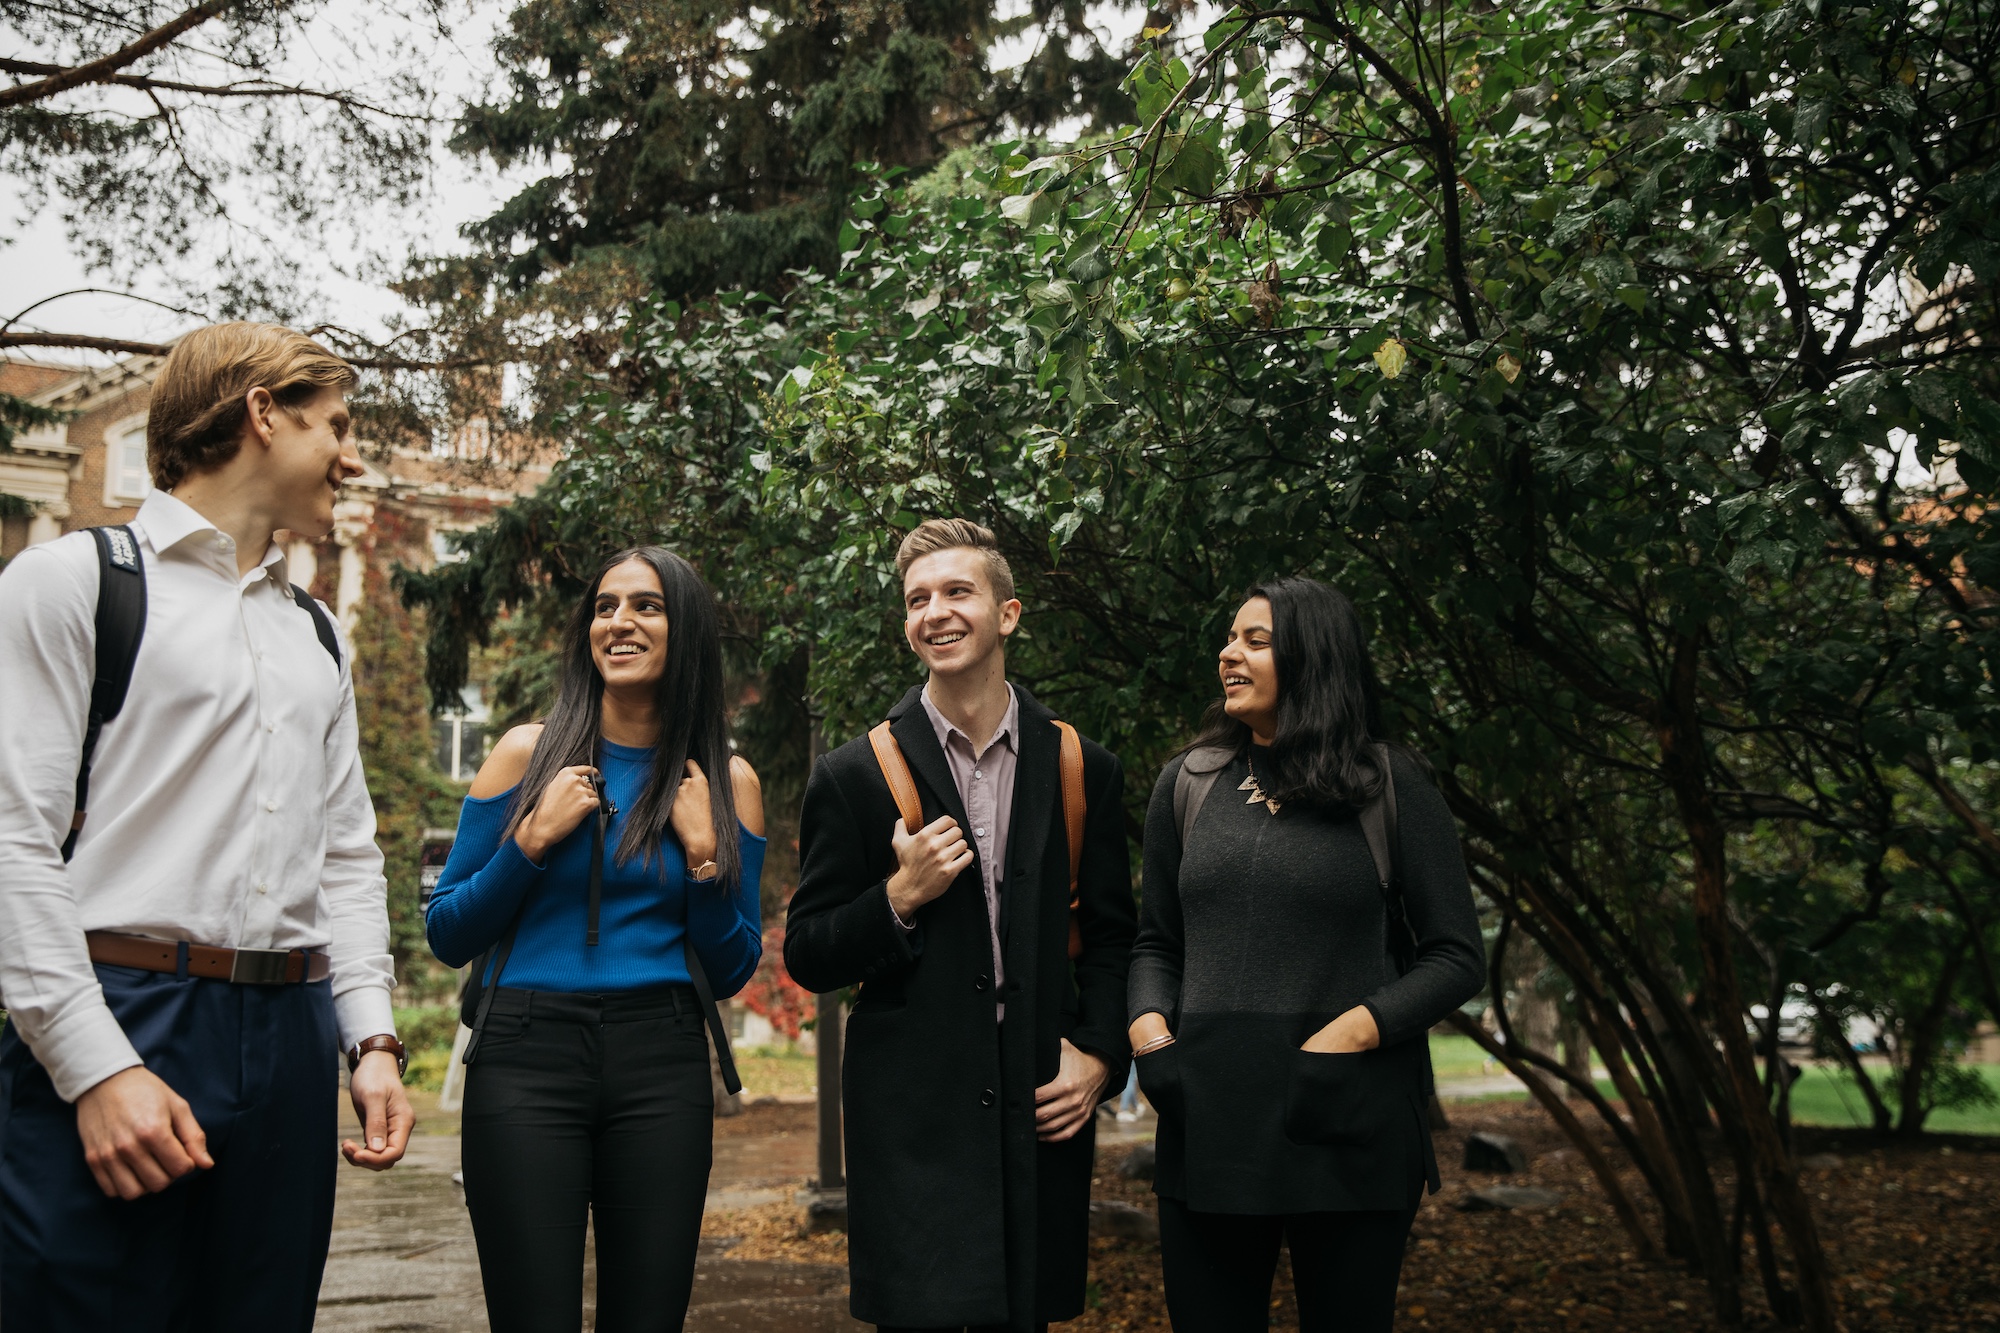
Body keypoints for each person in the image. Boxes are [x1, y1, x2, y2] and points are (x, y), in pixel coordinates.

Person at [0, 322, 412, 1330]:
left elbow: (346, 854)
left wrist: (372, 1036)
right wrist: (93, 1069)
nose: (352, 456)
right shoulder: (73, 583)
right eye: (335, 425)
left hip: (289, 1038)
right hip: (126, 1007)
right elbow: (12, 841)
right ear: (259, 413)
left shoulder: (310, 629)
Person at [785, 518, 1136, 1333]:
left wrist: (1100, 1057)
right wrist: (898, 896)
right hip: (911, 1122)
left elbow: (1116, 937)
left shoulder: (1083, 765)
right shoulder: (853, 774)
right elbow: (809, 950)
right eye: (916, 599)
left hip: (1041, 1110)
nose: (934, 611)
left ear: (1007, 614)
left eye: (955, 591)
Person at [1127, 577, 1485, 1333]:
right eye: (1230, 638)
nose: (1229, 653)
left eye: (1255, 641)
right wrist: (1151, 1036)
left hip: (1348, 1121)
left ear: (1312, 657)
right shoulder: (1188, 783)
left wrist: (1351, 1031)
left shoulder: (1389, 783)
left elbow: (1455, 955)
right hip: (1209, 1123)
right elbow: (1157, 939)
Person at [426, 545, 765, 1333]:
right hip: (523, 1056)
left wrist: (706, 855)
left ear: (686, 632)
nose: (620, 621)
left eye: (646, 606)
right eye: (606, 606)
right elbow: (448, 931)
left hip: (663, 1060)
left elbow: (734, 964)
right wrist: (531, 840)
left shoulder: (723, 777)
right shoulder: (524, 753)